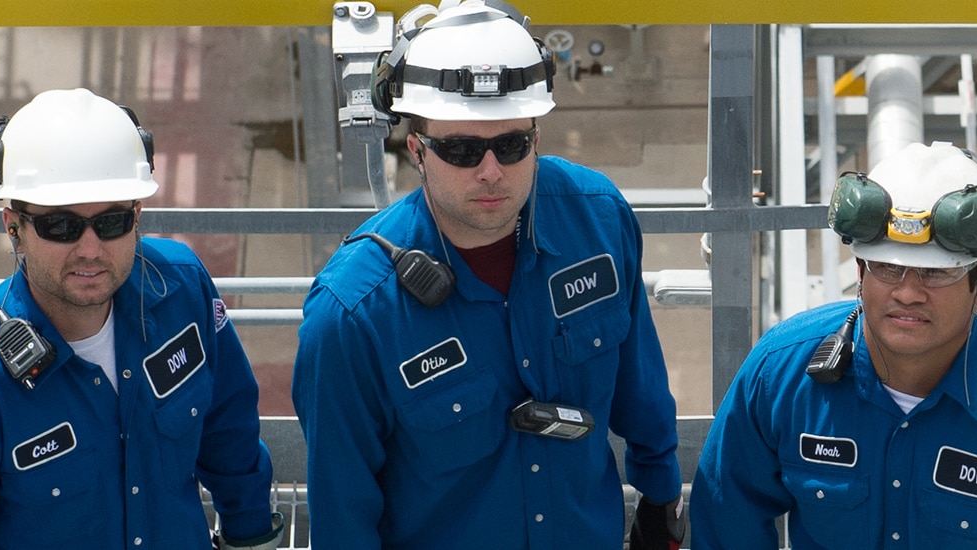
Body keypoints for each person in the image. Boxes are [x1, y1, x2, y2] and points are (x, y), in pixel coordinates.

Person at [291, 1, 684, 548]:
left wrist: (662, 503)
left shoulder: (598, 221)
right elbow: (343, 514)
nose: (491, 171)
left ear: (536, 140)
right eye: (462, 150)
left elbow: (641, 387)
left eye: (512, 145)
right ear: (417, 151)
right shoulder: (353, 316)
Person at [0, 89, 283, 549]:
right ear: (13, 227)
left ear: (137, 215)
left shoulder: (183, 292)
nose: (91, 250)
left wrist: (252, 536)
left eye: (112, 222)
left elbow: (228, 429)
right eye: (61, 226)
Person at [688, 142, 977, 549]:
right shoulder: (779, 374)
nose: (908, 293)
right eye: (887, 268)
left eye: (937, 273)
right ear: (860, 275)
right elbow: (727, 525)